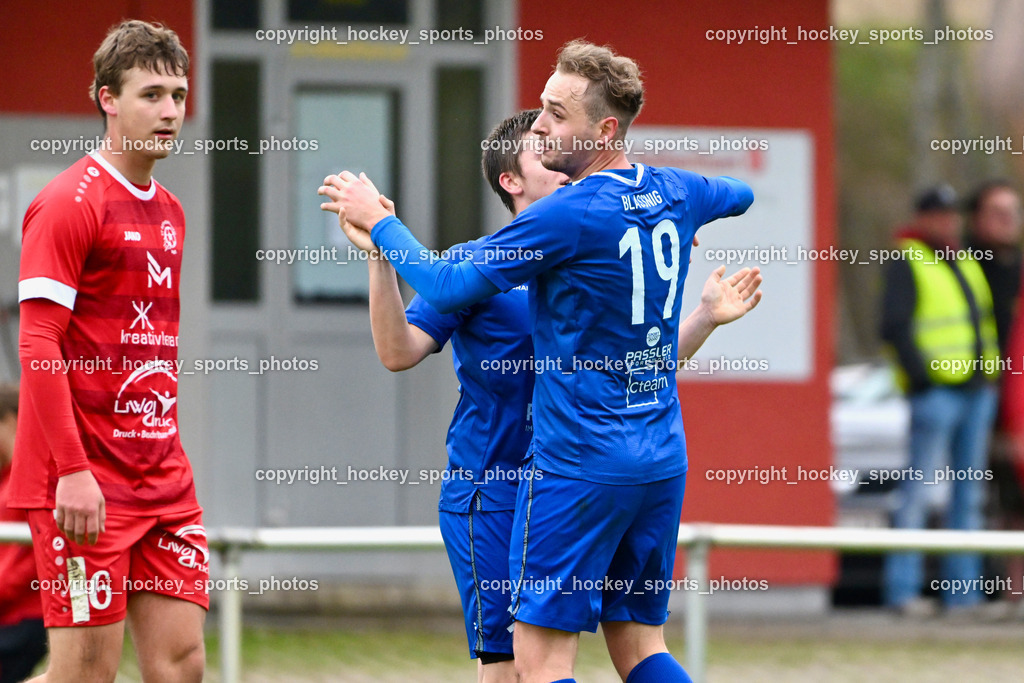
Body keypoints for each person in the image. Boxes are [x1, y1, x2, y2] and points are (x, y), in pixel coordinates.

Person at [321, 39, 753, 683]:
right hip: (565, 473)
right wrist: (668, 216)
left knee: (539, 662)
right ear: (511, 181)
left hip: (574, 468)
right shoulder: (654, 197)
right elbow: (738, 193)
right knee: (626, 648)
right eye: (540, 118)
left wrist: (383, 224)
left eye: (556, 114)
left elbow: (444, 284)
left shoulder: (573, 217)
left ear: (603, 132)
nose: (543, 126)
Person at [12, 20, 207, 682]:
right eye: (151, 95)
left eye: (178, 95)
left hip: (163, 477)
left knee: (181, 664)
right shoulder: (67, 203)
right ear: (107, 99)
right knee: (85, 673)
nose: (169, 111)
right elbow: (38, 342)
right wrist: (72, 470)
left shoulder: (172, 211)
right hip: (80, 478)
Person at [880, 183, 1001, 614]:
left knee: (968, 498)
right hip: (936, 394)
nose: (948, 223)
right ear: (923, 218)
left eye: (952, 215)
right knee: (917, 493)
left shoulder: (963, 258)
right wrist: (923, 381)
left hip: (975, 390)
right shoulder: (907, 259)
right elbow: (893, 327)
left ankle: (963, 597)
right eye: (940, 215)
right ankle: (903, 592)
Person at [0, 383, 47, 682]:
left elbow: (32, 559)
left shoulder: (34, 476)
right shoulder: (6, 479)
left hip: (25, 617)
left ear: (13, 420)